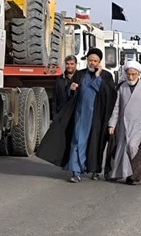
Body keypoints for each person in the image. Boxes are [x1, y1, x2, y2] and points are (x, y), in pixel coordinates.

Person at [37, 48, 116, 183]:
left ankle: (94, 170)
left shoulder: (106, 76)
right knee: (77, 141)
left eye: (95, 61)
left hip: (96, 118)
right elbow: (68, 93)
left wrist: (98, 77)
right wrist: (71, 90)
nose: (92, 63)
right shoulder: (80, 74)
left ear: (99, 62)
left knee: (95, 144)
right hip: (80, 115)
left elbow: (109, 95)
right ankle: (76, 171)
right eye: (90, 60)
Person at [105, 61, 141, 185]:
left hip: (139, 124)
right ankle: (120, 174)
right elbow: (116, 107)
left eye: (133, 74)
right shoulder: (121, 87)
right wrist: (112, 124)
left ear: (139, 74)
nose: (131, 77)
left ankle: (135, 174)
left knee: (133, 147)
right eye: (128, 74)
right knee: (121, 149)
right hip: (123, 124)